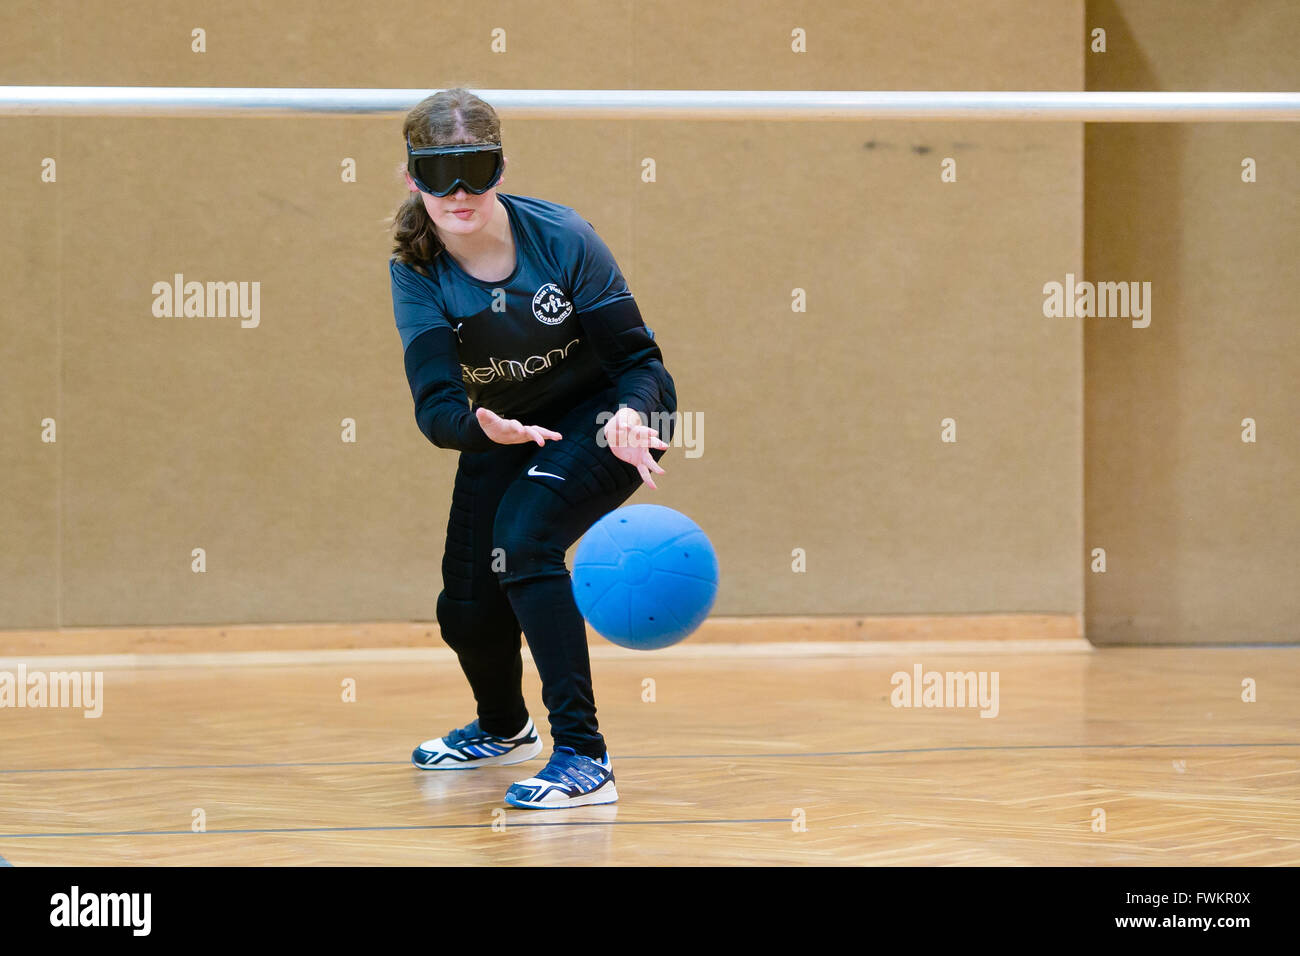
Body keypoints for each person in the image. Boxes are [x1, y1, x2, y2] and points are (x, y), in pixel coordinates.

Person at [388, 88, 677, 809]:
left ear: (503, 169)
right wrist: (476, 428)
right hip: (506, 427)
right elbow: (436, 405)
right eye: (439, 174)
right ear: (411, 176)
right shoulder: (417, 268)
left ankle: (583, 756)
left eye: (476, 170)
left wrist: (631, 415)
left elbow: (642, 362)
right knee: (465, 606)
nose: (458, 193)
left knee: (523, 541)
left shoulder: (563, 238)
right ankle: (503, 725)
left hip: (611, 415)